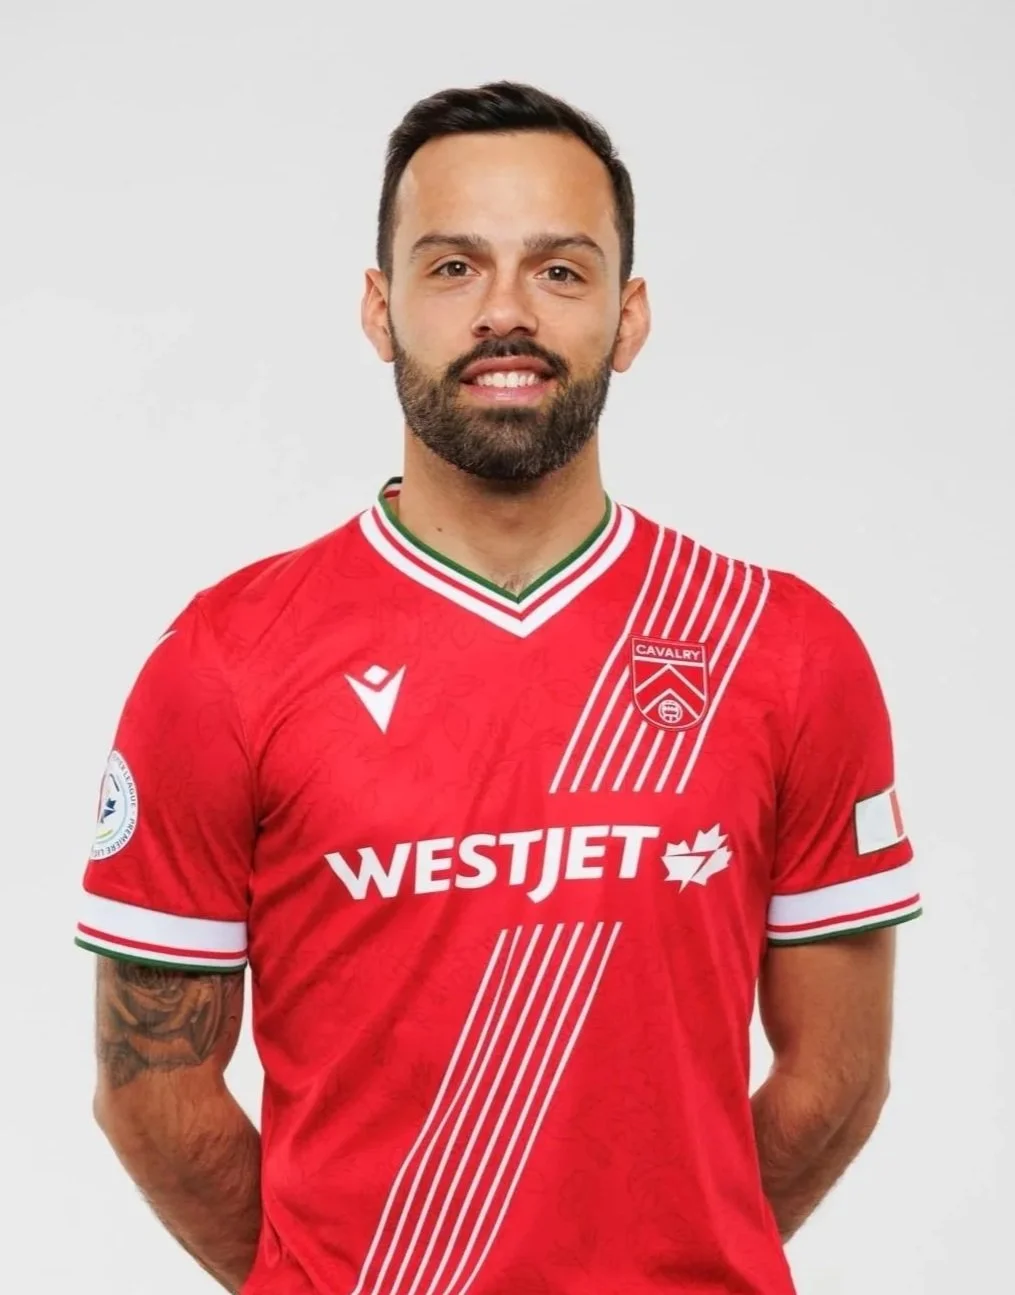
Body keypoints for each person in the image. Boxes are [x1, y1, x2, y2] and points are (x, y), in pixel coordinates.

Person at [76, 80, 921, 1295]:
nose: (507, 312)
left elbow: (834, 1081)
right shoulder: (227, 659)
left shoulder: (780, 647)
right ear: (380, 308)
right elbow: (149, 1086)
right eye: (455, 266)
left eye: (562, 272)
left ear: (629, 319)